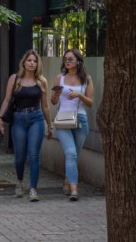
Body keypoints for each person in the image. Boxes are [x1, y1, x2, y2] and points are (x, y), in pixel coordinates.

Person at [0, 49, 52, 202]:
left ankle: (33, 189)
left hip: (37, 118)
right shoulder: (15, 79)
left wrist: (50, 124)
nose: (32, 63)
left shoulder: (41, 81)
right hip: (19, 118)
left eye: (34, 61)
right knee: (20, 156)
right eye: (29, 60)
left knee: (34, 155)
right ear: (24, 62)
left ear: (37, 64)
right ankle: (20, 182)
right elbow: (7, 100)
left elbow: (45, 105)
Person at [50, 48, 94, 201]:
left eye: (70, 59)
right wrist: (56, 94)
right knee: (71, 153)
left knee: (75, 155)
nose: (67, 62)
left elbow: (90, 103)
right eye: (65, 59)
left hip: (80, 120)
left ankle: (68, 181)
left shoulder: (86, 79)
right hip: (63, 120)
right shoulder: (59, 78)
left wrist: (79, 94)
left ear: (78, 61)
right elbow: (53, 101)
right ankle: (74, 190)